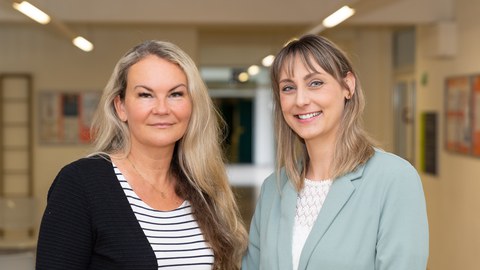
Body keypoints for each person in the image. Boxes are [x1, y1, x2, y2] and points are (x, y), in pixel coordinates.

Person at [36, 40, 247, 270]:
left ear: (192, 105)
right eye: (146, 95)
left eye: (175, 94)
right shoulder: (80, 184)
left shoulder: (203, 186)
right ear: (121, 107)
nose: (162, 109)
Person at [242, 34, 429, 270]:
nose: (301, 100)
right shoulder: (274, 188)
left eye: (315, 83)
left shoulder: (394, 179)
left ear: (347, 86)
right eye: (288, 88)